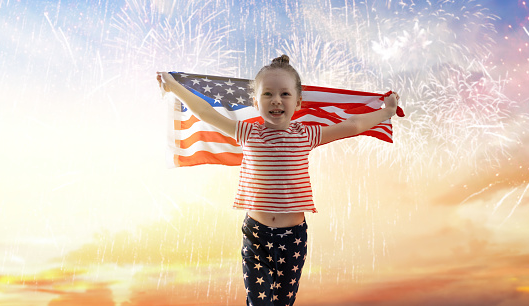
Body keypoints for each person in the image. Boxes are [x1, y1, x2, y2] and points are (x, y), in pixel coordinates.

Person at [157, 55, 399, 306]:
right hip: (256, 235)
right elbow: (206, 112)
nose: (276, 100)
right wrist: (173, 85)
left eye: (285, 94)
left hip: (292, 238)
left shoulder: (306, 134)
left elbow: (354, 124)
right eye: (267, 94)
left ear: (298, 102)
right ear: (255, 101)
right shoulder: (247, 132)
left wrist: (387, 111)